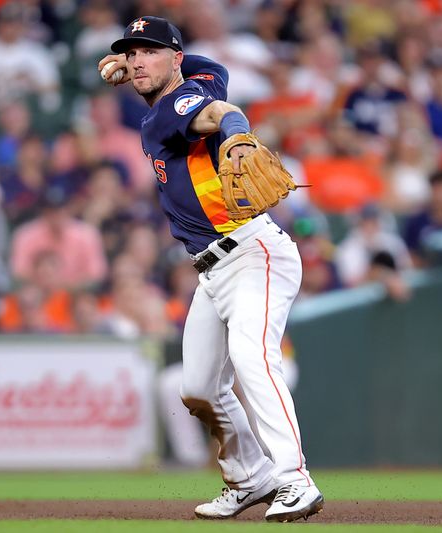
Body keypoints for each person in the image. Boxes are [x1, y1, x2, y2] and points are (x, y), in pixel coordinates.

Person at [99, 16, 323, 523]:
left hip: (252, 252)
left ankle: (294, 478)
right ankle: (249, 478)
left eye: (149, 51)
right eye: (131, 52)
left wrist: (237, 135)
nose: (136, 60)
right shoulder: (200, 76)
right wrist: (148, 66)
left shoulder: (172, 111)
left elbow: (222, 111)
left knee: (252, 355)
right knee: (198, 387)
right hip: (212, 270)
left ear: (174, 59)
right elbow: (213, 71)